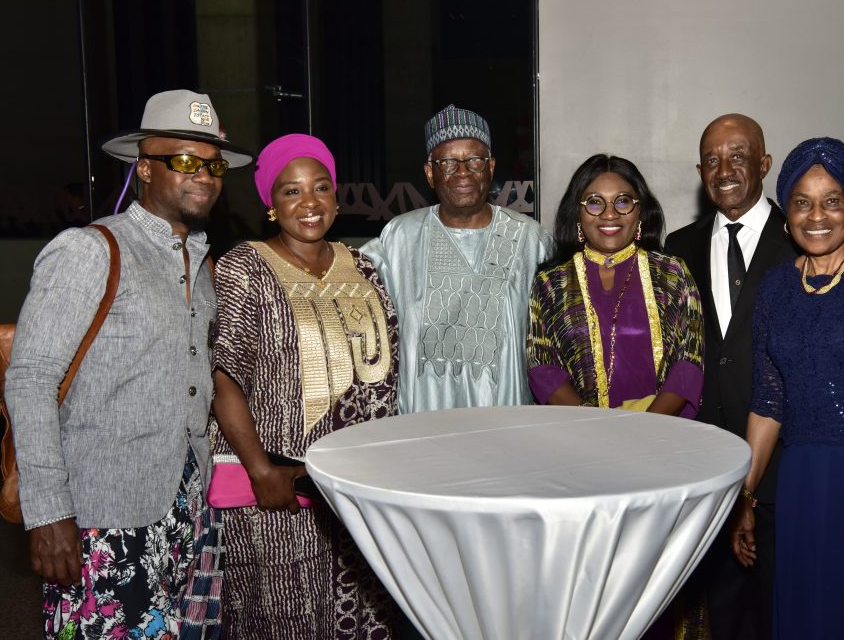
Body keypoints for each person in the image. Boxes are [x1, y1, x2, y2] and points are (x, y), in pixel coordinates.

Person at [664, 114, 844, 640]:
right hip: (805, 478)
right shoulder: (778, 287)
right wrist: (746, 499)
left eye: (832, 201)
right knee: (809, 611)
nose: (816, 215)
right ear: (789, 210)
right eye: (802, 201)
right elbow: (769, 401)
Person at [5, 89, 253, 638]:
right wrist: (47, 513)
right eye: (184, 161)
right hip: (104, 515)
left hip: (190, 510)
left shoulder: (200, 261)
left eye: (212, 164)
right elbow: (29, 380)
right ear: (144, 169)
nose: (205, 176)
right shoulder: (91, 250)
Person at [209, 134, 400, 637]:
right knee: (286, 616)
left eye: (320, 187)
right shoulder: (245, 268)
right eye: (291, 191)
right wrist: (260, 469)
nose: (309, 203)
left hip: (355, 488)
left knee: (361, 612)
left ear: (336, 196)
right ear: (271, 203)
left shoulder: (362, 267)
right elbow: (223, 376)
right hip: (279, 488)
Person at [361, 104, 553, 414]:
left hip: (505, 417)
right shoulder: (400, 237)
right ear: (429, 172)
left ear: (490, 167)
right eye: (448, 161)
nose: (462, 172)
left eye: (474, 160)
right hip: (424, 419)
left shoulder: (531, 240)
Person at [527, 154, 704, 416]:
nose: (610, 214)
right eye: (595, 203)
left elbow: (689, 361)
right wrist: (597, 425)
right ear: (577, 213)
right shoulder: (550, 283)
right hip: (579, 433)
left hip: (661, 434)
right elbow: (542, 368)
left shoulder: (672, 274)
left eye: (623, 201)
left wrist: (646, 426)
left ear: (640, 210)